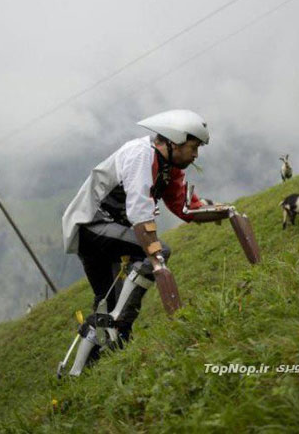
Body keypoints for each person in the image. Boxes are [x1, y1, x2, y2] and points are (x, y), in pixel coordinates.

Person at [62, 109, 230, 376]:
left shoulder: (170, 167)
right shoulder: (141, 155)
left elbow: (183, 207)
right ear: (175, 141)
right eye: (193, 147)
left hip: (107, 232)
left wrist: (220, 212)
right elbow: (139, 212)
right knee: (158, 251)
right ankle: (118, 324)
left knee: (106, 303)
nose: (196, 155)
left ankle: (77, 376)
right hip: (92, 226)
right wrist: (154, 255)